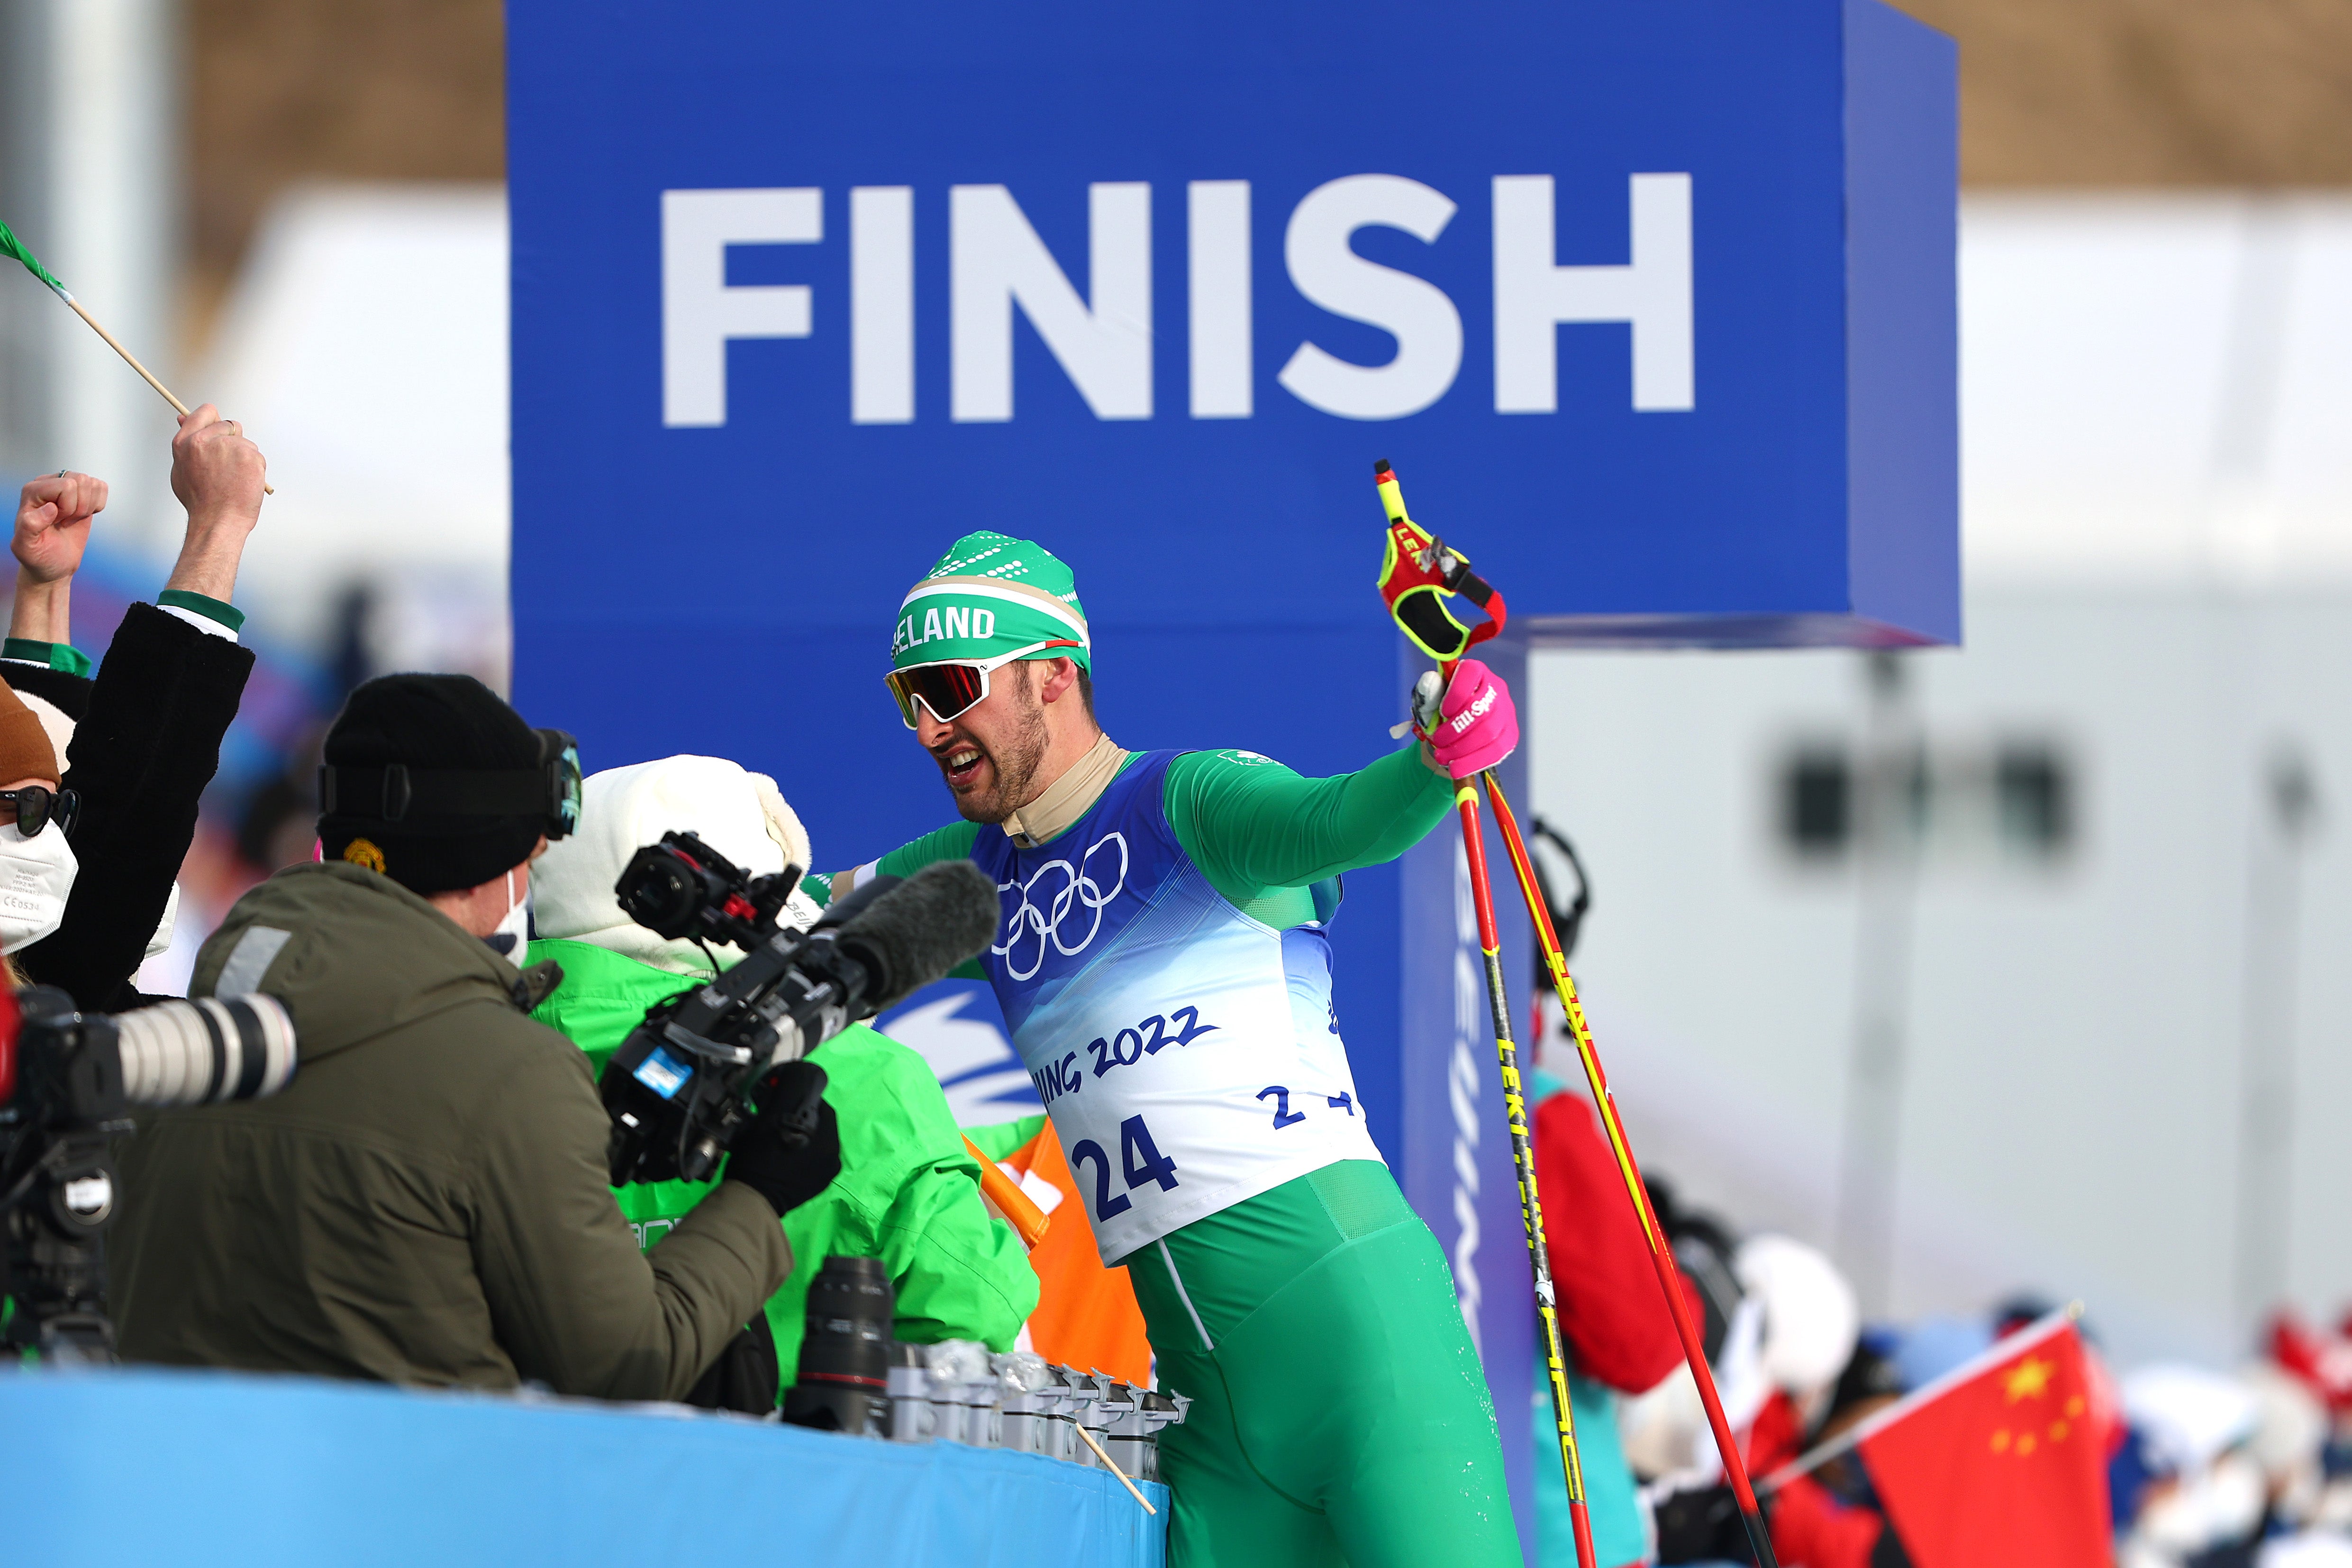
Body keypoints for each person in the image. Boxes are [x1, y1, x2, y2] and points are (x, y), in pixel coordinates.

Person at [826, 532, 1523, 1568]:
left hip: (1358, 1344)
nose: (932, 727)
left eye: (952, 687)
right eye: (908, 698)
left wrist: (1437, 754)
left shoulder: (1185, 800)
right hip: (1202, 1399)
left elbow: (1339, 818)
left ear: (1053, 672)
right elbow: (796, 918)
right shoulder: (971, 872)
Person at [110, 675, 839, 1399]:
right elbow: (626, 1361)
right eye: (528, 857)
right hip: (400, 1499)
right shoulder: (510, 1074)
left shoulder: (186, 1038)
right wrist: (757, 1195)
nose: (529, 881)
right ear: (478, 864)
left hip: (175, 1496)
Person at [524, 753, 1037, 1402]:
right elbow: (976, 1339)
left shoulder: (482, 1066)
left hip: (522, 1486)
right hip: (805, 1492)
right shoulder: (859, 1081)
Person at [5, 404, 266, 1009]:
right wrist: (216, 529)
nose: (45, 829)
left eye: (40, 810)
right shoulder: (48, 1012)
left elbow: (41, 772)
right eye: (22, 811)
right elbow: (121, 834)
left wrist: (43, 597)